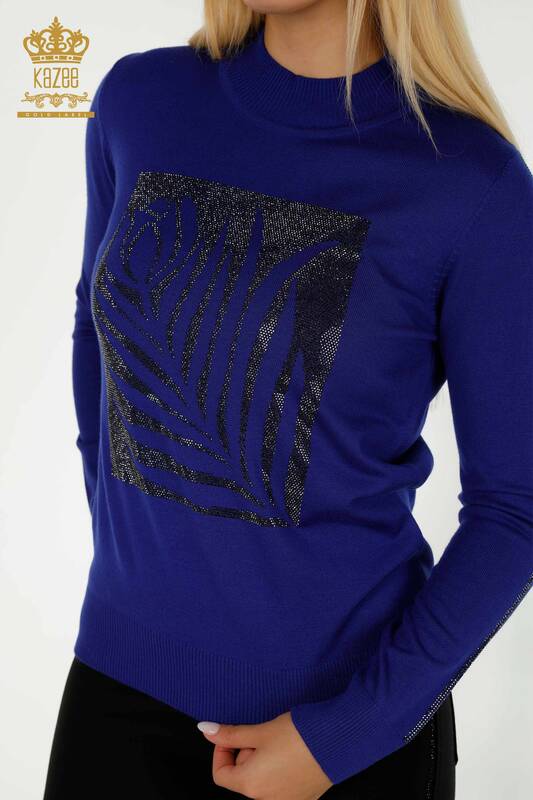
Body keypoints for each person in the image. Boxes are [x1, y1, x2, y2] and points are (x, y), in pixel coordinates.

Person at [43, 1, 532, 798]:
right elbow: (95, 331)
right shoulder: (140, 100)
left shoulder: (471, 184)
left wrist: (347, 735)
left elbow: (514, 510)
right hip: (113, 698)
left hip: (341, 735)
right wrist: (143, 566)